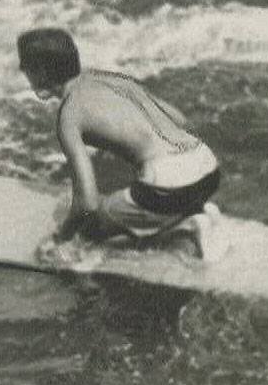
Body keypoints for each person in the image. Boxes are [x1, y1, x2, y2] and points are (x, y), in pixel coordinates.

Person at [17, 28, 222, 257]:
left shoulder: (69, 114)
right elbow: (179, 119)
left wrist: (61, 238)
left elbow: (87, 203)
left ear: (40, 72)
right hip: (208, 167)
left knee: (87, 233)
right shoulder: (112, 79)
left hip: (169, 187)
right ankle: (191, 212)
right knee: (136, 200)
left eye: (25, 69)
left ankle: (183, 235)